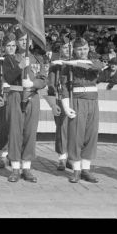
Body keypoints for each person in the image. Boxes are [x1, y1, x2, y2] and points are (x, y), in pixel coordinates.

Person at [57, 38, 104, 183]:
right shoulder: (67, 67)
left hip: (92, 101)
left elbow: (94, 67)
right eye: (79, 49)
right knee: (76, 135)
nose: (82, 52)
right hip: (77, 100)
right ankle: (76, 169)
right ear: (74, 51)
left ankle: (86, 170)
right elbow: (63, 87)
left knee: (91, 135)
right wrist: (66, 106)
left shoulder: (94, 61)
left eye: (84, 49)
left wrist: (71, 63)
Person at [2, 33, 46, 183]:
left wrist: (34, 84)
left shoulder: (38, 58)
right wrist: (20, 67)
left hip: (32, 96)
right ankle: (15, 168)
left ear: (31, 42)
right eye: (20, 40)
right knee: (15, 132)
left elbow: (43, 78)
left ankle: (26, 168)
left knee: (30, 132)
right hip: (15, 95)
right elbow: (7, 77)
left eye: (26, 40)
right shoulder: (10, 58)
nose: (23, 42)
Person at [47, 41, 71, 170]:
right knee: (62, 128)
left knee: (74, 129)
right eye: (64, 48)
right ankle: (62, 157)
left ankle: (72, 157)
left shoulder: (77, 64)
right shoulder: (56, 66)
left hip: (75, 99)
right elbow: (51, 85)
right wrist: (53, 104)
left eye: (69, 47)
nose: (66, 50)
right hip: (60, 99)